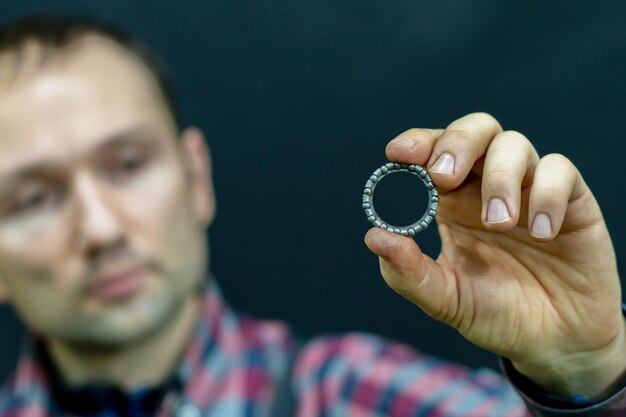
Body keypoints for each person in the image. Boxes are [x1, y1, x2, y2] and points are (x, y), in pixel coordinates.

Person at [0, 14, 624, 417]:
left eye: (128, 164)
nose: (101, 230)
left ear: (196, 178)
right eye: (33, 199)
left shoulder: (359, 395)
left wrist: (587, 376)